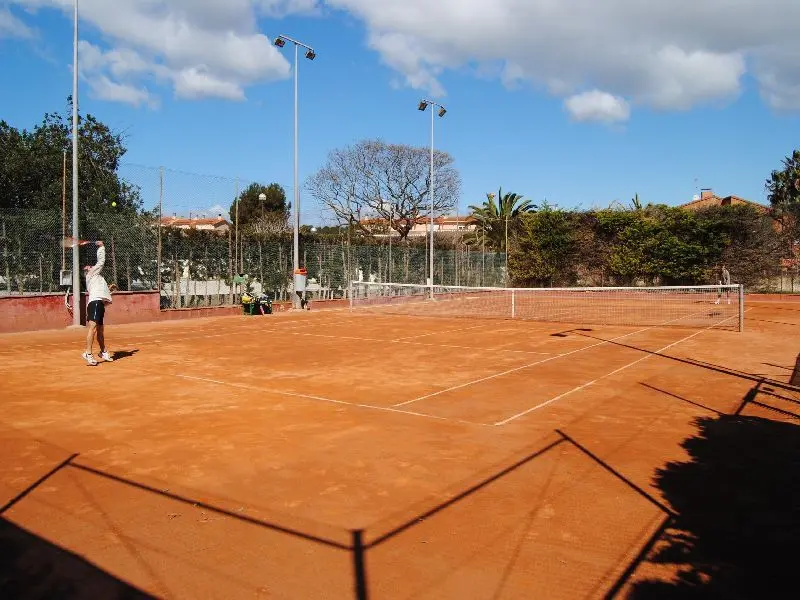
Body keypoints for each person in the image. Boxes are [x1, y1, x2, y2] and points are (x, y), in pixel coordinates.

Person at [81, 240, 114, 366]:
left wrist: (110, 290)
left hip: (98, 303)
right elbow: (101, 262)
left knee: (100, 330)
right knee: (93, 328)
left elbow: (102, 294)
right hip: (94, 303)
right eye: (88, 267)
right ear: (87, 271)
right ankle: (88, 353)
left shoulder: (97, 279)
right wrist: (101, 247)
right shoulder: (91, 274)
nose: (90, 266)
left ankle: (103, 351)